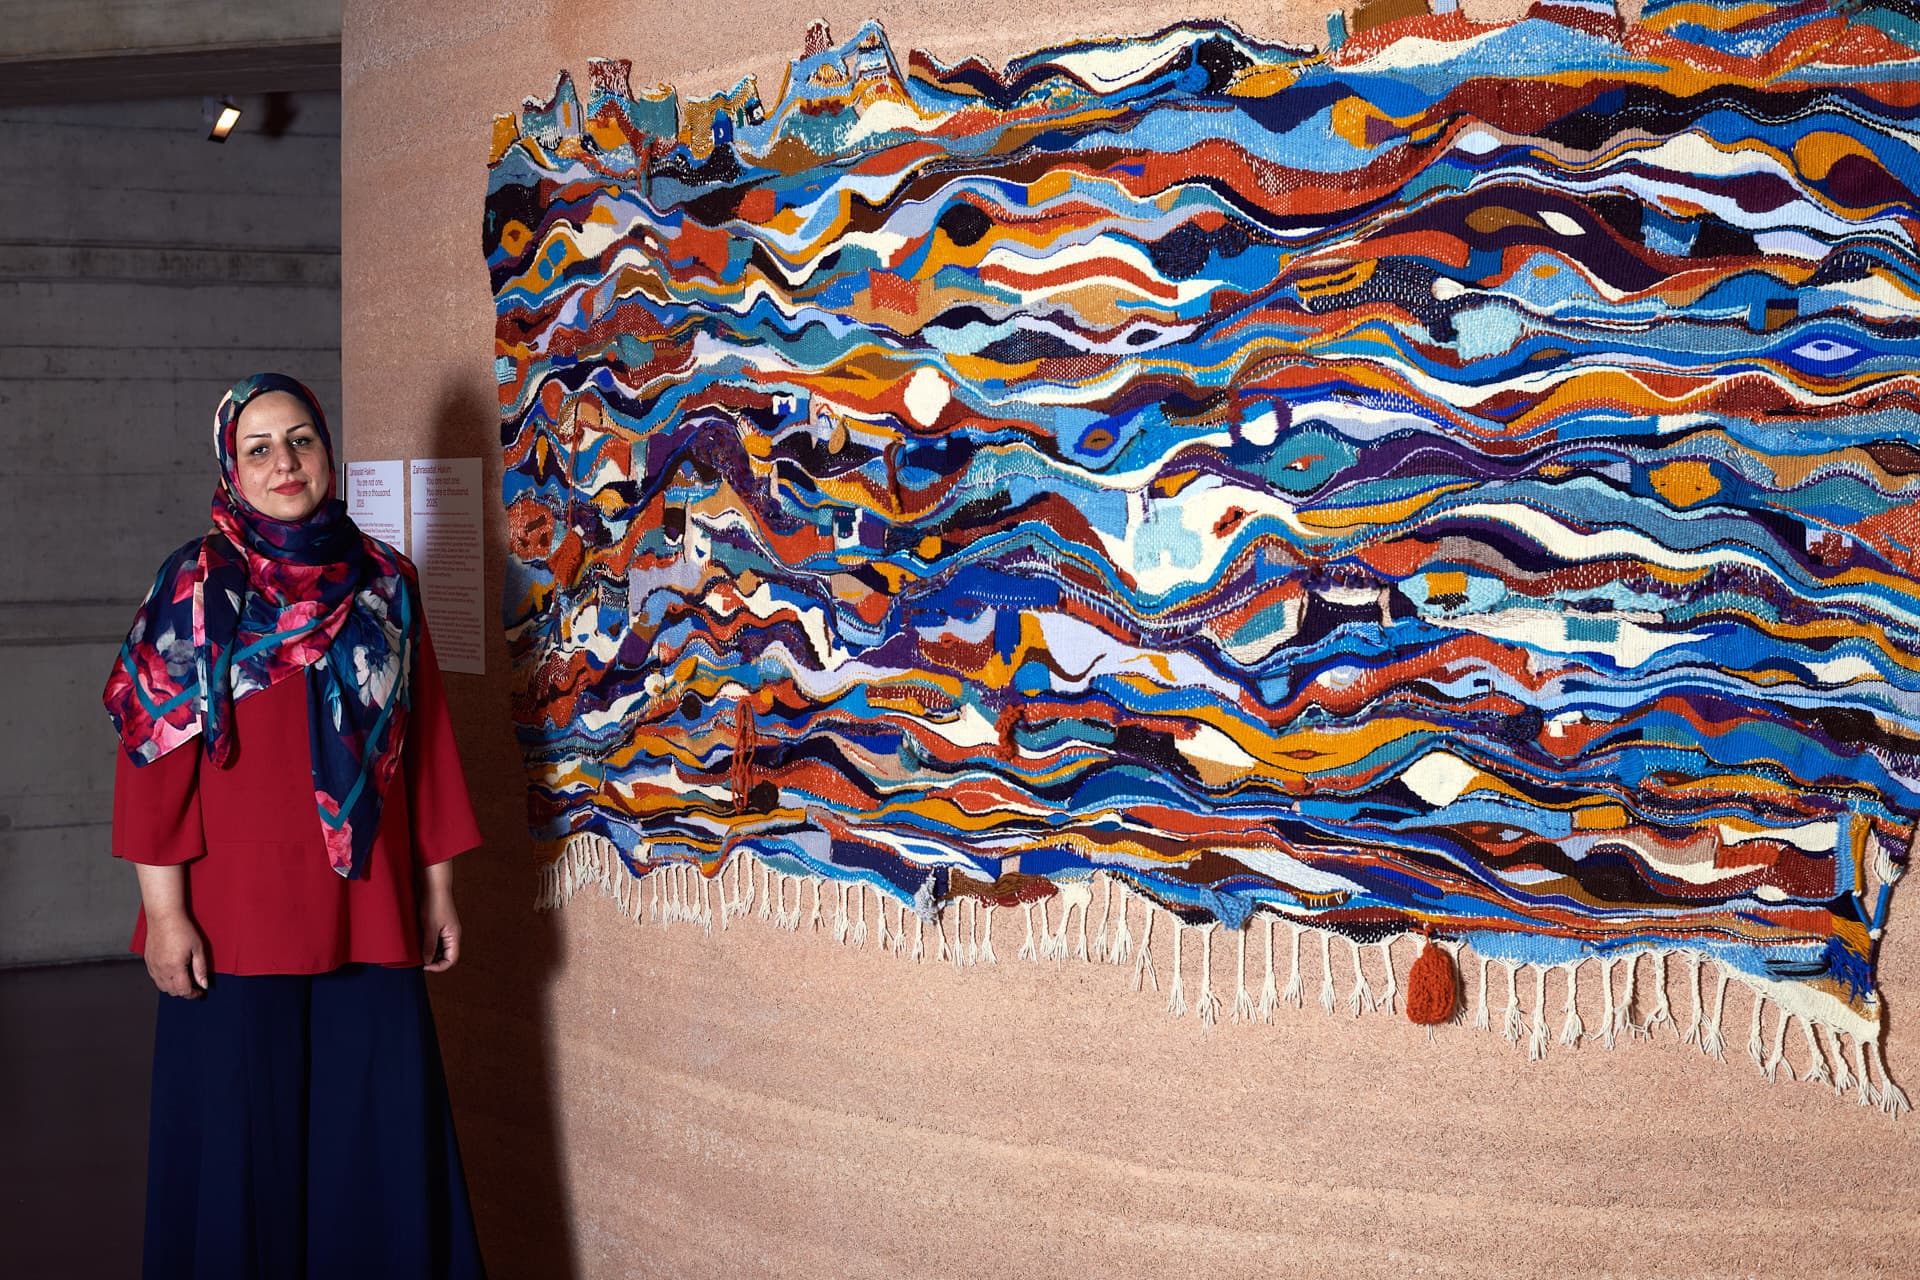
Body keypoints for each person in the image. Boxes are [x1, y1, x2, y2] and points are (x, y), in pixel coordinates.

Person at [103, 373, 487, 1279]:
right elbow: (150, 758)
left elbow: (424, 740)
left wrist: (437, 886)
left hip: (370, 904)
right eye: (260, 448)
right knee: (245, 1155)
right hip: (236, 916)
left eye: (301, 440)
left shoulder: (386, 579)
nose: (285, 462)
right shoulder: (195, 586)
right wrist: (165, 914)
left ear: (327, 450)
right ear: (231, 468)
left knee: (374, 1143)